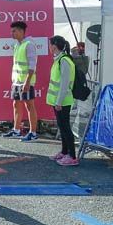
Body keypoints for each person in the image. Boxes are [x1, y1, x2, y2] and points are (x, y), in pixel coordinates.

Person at [3, 21, 39, 141]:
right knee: (16, 105)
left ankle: (33, 133)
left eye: (14, 31)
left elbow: (32, 65)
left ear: (21, 31)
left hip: (26, 82)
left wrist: (27, 82)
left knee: (29, 105)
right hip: (17, 81)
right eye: (11, 31)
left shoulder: (29, 44)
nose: (11, 33)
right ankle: (16, 130)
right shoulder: (17, 44)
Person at [47, 36, 78, 167]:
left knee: (65, 128)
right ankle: (65, 152)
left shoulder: (64, 61)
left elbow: (64, 84)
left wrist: (58, 101)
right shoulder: (60, 59)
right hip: (59, 101)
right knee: (62, 126)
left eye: (50, 45)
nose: (49, 47)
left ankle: (72, 156)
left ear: (54, 46)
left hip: (63, 101)